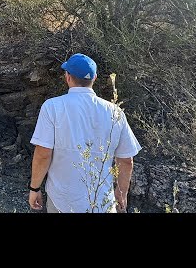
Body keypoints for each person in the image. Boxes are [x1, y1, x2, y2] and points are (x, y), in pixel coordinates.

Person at [28, 53, 141, 213]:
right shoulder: (115, 112)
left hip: (63, 201)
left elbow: (43, 154)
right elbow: (126, 161)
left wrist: (34, 188)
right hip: (103, 203)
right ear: (94, 78)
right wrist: (121, 193)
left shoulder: (52, 107)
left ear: (67, 77)